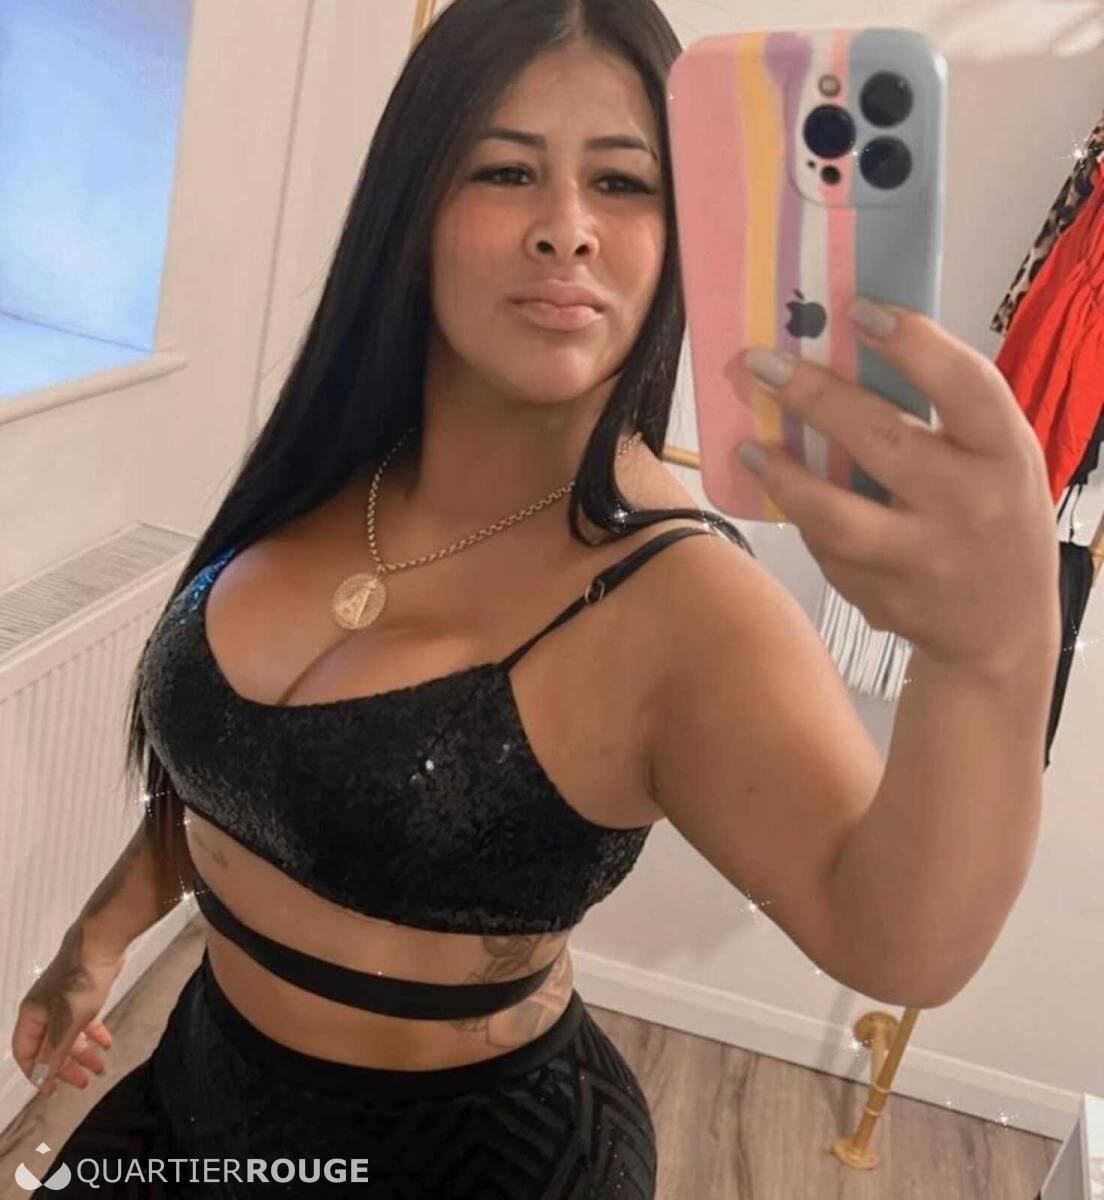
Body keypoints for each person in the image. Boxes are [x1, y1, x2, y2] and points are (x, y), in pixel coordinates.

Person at [10, 0, 1062, 1196]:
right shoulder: (328, 471)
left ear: (686, 230)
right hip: (190, 1092)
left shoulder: (683, 599)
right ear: (413, 207)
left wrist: (992, 654)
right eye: (506, 171)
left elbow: (896, 938)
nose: (567, 228)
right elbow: (239, 767)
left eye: (623, 183)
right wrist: (97, 939)